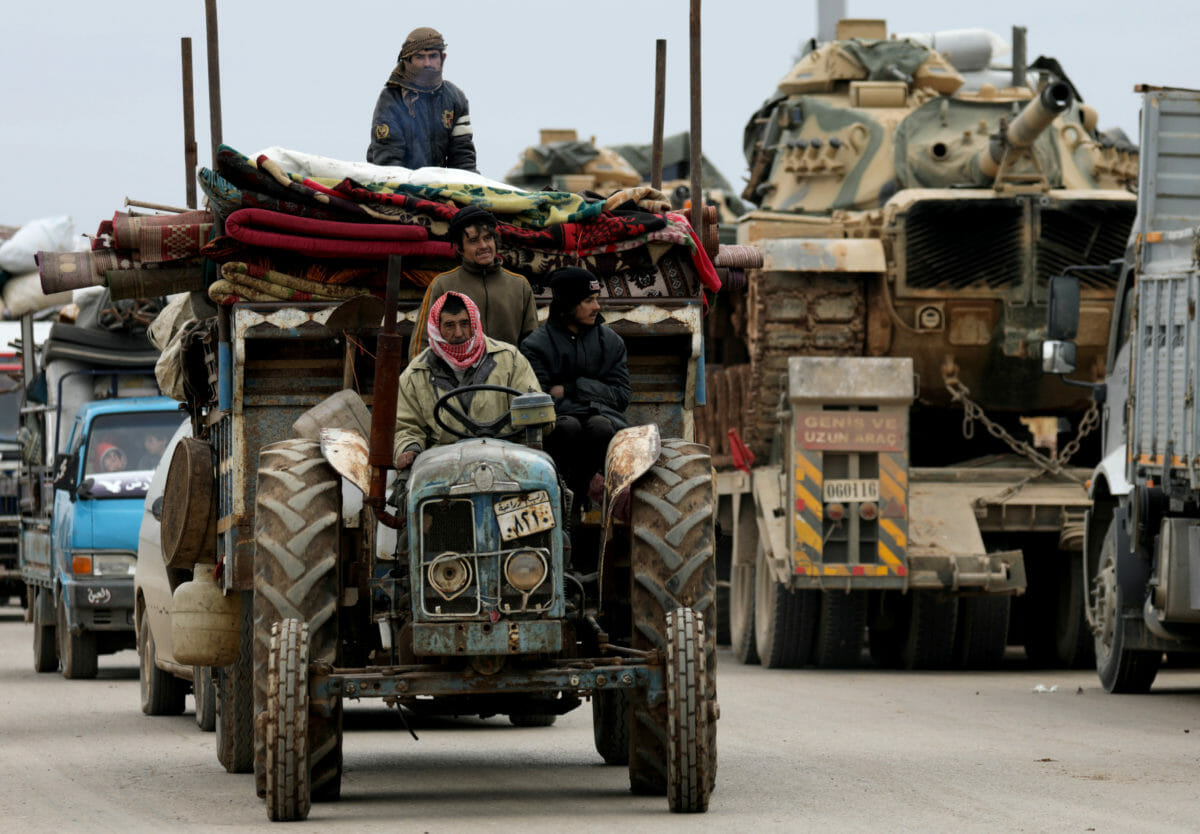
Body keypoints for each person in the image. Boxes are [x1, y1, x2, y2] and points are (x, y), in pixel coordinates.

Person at [393, 291, 541, 471]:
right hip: (443, 465)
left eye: (464, 323)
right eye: (449, 325)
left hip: (507, 458)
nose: (458, 333)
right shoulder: (416, 374)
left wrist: (535, 421)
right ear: (436, 327)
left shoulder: (511, 360)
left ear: (474, 322)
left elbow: (535, 410)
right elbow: (406, 427)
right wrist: (410, 449)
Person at [519, 267, 630, 504]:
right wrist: (594, 398)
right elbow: (540, 401)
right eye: (589, 300)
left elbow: (621, 396)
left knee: (599, 426)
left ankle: (595, 489)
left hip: (602, 423)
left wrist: (572, 388)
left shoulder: (611, 342)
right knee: (567, 427)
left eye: (596, 299)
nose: (597, 307)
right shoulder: (535, 346)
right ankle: (559, 494)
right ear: (569, 303)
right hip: (559, 429)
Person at [410, 205, 538, 358]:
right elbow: (422, 344)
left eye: (487, 238)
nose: (483, 246)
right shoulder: (443, 285)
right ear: (460, 248)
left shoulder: (519, 285)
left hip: (507, 378)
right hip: (457, 379)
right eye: (473, 241)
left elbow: (532, 345)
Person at [366, 27, 477, 172]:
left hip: (436, 185)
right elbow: (387, 160)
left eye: (432, 56)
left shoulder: (455, 98)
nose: (427, 63)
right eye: (419, 57)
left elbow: (463, 157)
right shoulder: (391, 99)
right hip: (394, 184)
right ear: (408, 61)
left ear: (442, 59)